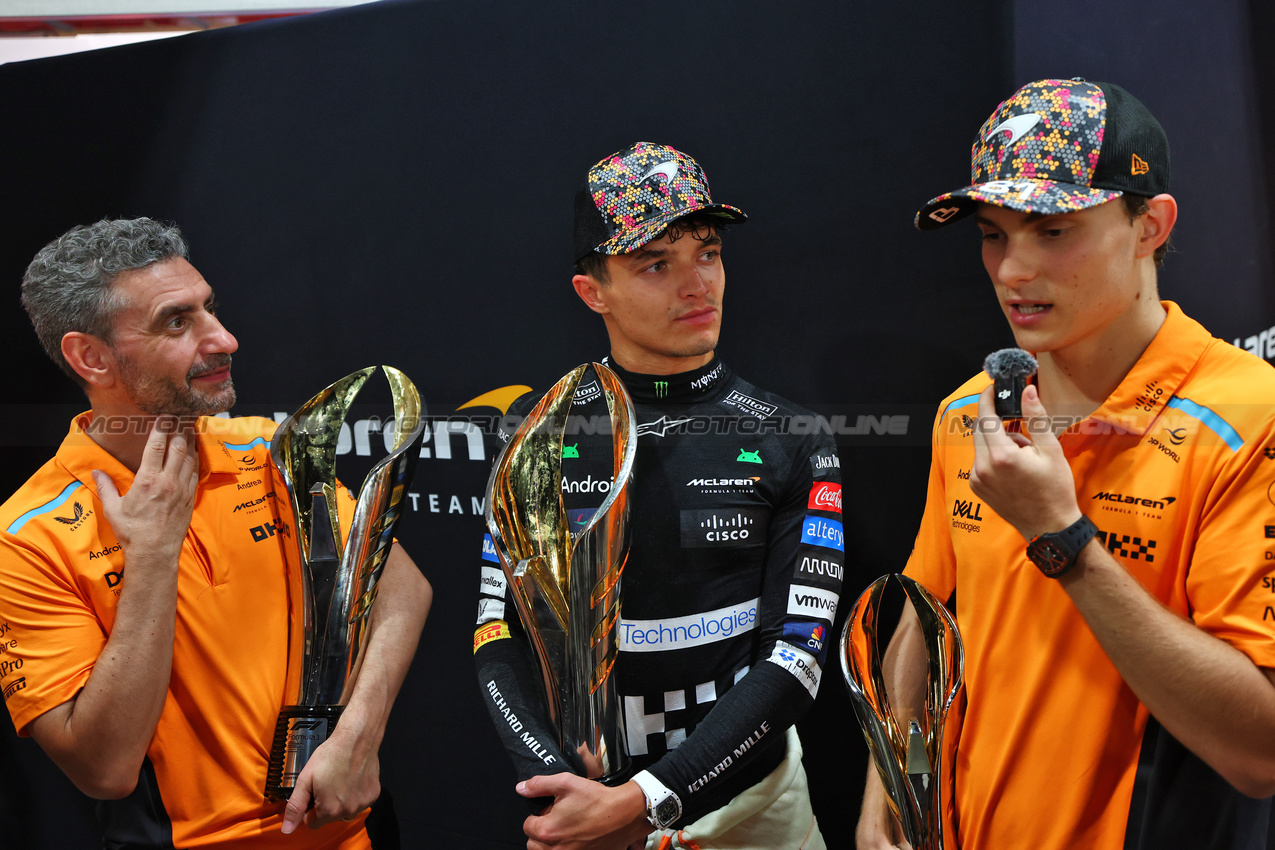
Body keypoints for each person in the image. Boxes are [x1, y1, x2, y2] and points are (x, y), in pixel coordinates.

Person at [857, 79, 1275, 850]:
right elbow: (926, 608)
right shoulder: (968, 413)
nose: (1011, 270)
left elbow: (1259, 753)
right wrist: (887, 776)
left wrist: (1058, 534)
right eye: (992, 233)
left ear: (1149, 224)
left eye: (1051, 231)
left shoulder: (1250, 418)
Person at [0, 218, 432, 848]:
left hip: (355, 834)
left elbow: (401, 589)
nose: (224, 338)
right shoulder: (27, 535)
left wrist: (359, 733)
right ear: (90, 357)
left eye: (210, 309)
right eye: (177, 322)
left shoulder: (266, 447)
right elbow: (104, 769)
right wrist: (151, 554)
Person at [473, 142, 843, 849]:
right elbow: (498, 636)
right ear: (592, 291)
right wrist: (565, 797)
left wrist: (647, 801)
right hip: (585, 814)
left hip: (756, 808)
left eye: (707, 252)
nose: (696, 284)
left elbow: (797, 656)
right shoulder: (538, 439)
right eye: (654, 263)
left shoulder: (792, 435)